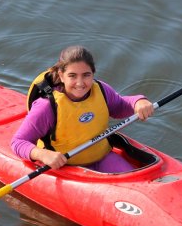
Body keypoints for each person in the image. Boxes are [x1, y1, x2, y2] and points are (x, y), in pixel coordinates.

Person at [11, 45, 154, 173]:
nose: (80, 83)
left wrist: (138, 102)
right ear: (61, 75)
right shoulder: (46, 107)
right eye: (72, 76)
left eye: (86, 75)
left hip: (102, 157)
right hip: (65, 166)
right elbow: (18, 142)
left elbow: (120, 106)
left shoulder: (102, 90)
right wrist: (42, 154)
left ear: (93, 73)